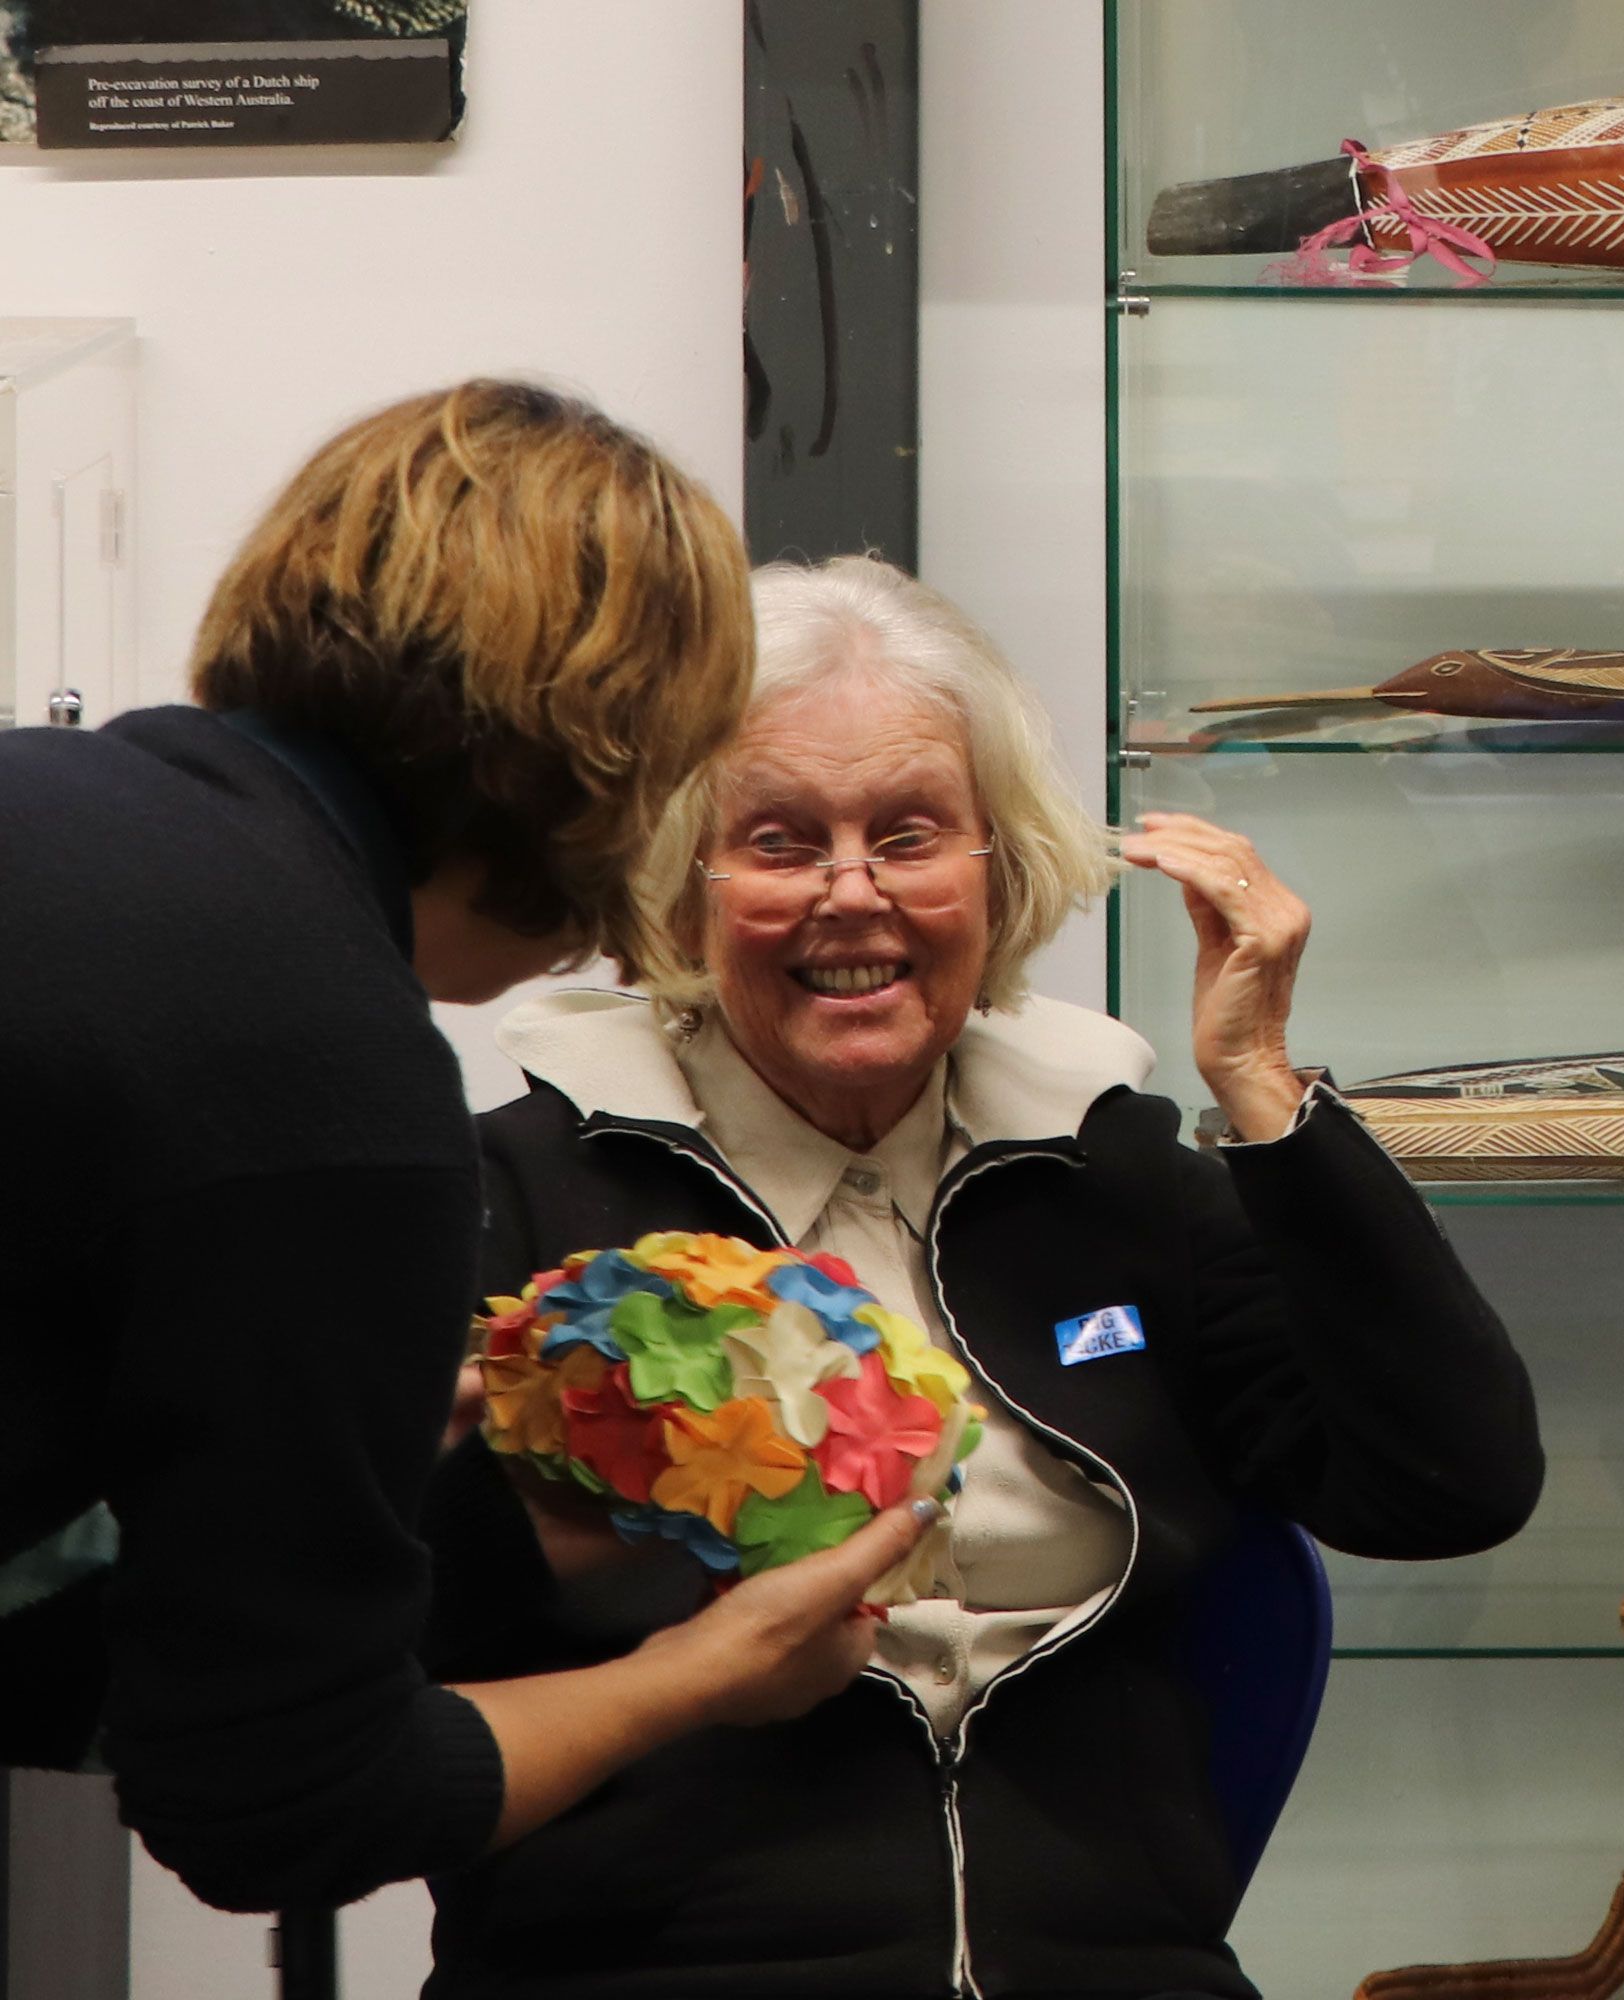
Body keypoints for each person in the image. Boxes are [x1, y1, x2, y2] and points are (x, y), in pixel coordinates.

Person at [417, 554, 1545, 1999]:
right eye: (779, 842)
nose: (853, 896)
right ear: (677, 884)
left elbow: (1451, 1487)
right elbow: (384, 1633)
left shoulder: (1119, 1178)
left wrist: (1262, 1086)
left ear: (997, 868)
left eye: (909, 835)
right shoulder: (516, 1199)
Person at [0, 383, 937, 1913]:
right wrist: (705, 1672)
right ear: (613, 766)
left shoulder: (67, 816)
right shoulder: (327, 1080)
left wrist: (378, 1480)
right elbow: (273, 1808)